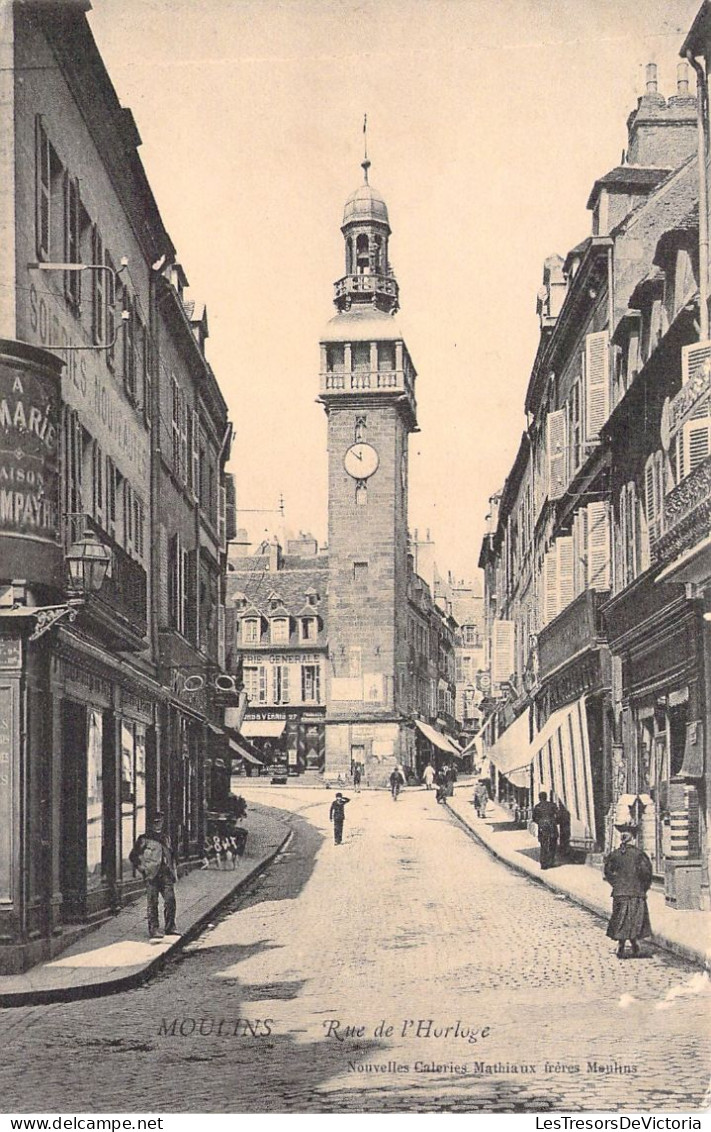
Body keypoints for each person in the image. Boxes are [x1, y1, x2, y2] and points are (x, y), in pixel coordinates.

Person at [603, 825, 653, 958]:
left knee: (621, 918)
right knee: (634, 919)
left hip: (619, 892)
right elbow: (646, 874)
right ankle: (633, 943)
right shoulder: (639, 854)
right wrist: (644, 888)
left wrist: (616, 884)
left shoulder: (615, 854)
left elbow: (607, 872)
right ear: (633, 838)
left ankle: (623, 944)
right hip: (636, 892)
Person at [129, 811, 178, 942]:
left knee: (170, 900)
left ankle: (170, 927)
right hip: (152, 875)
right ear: (150, 824)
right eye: (156, 822)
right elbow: (133, 857)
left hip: (166, 873)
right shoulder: (144, 839)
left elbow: (171, 855)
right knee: (153, 902)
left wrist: (173, 871)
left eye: (160, 822)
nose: (158, 825)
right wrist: (144, 870)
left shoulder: (166, 838)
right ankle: (154, 929)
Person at [531, 791, 559, 870]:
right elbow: (558, 814)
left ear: (539, 798)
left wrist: (540, 822)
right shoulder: (552, 805)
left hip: (542, 827)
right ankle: (551, 861)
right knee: (552, 844)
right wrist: (554, 821)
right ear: (546, 797)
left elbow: (534, 818)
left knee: (543, 845)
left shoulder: (537, 807)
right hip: (552, 826)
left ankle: (544, 864)